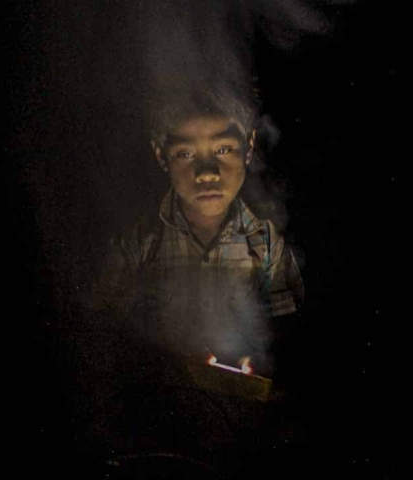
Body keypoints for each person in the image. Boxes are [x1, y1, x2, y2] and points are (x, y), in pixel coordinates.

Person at [73, 86, 306, 464]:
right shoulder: (138, 243)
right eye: (185, 154)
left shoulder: (265, 244)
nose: (207, 172)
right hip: (160, 432)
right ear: (160, 155)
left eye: (223, 150)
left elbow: (289, 336)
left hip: (242, 435)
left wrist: (260, 373)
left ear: (248, 147)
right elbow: (98, 331)